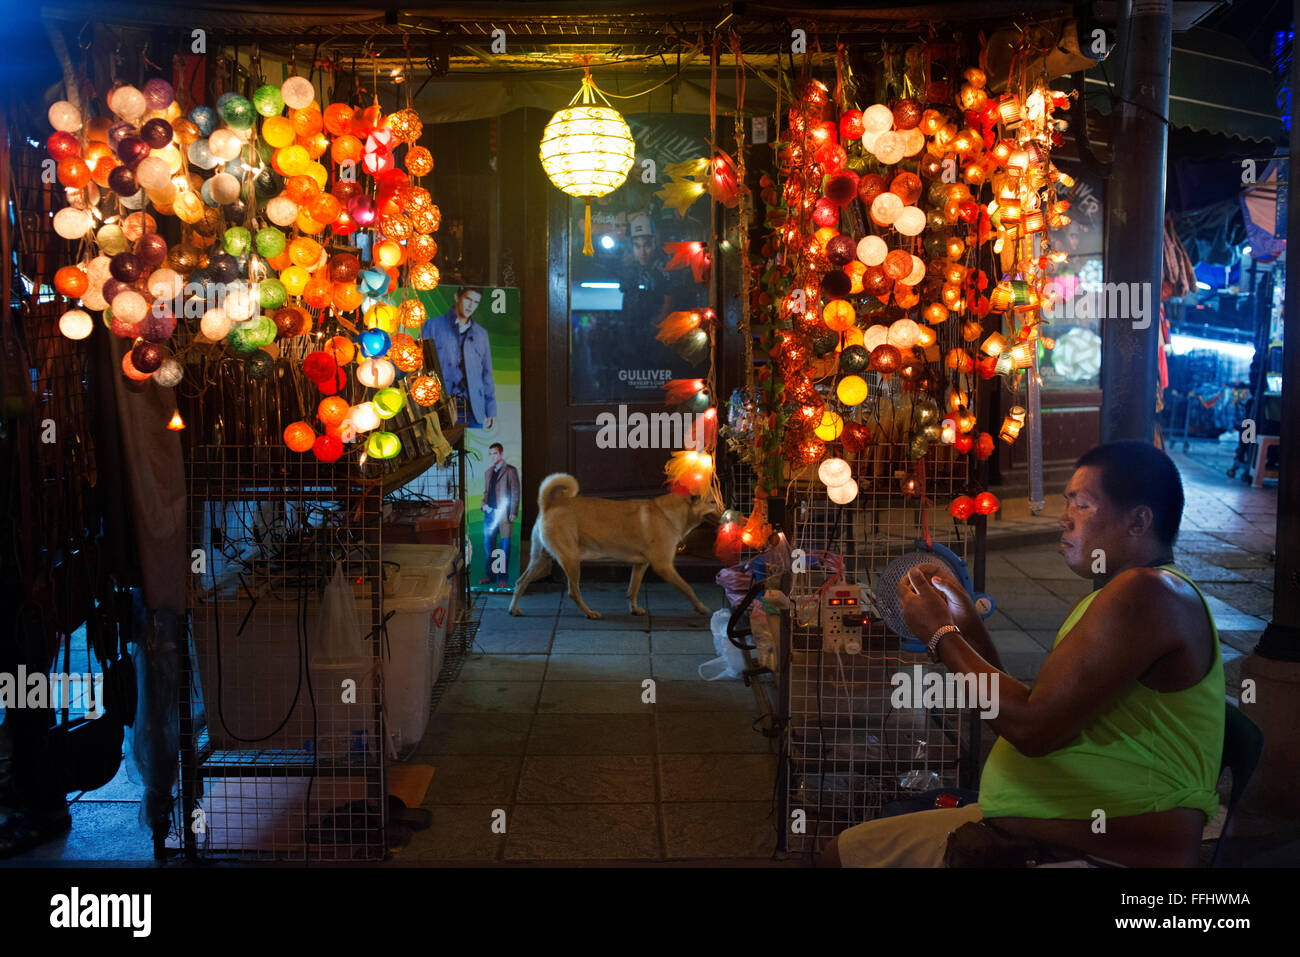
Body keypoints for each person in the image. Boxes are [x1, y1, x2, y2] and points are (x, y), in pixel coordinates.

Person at [824, 441, 1224, 868]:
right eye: (1067, 502)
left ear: (1138, 520)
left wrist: (939, 634)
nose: (1064, 518)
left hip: (1099, 846)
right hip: (1038, 820)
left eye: (1083, 505)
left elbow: (1029, 729)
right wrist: (961, 615)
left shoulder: (1148, 594)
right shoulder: (1118, 595)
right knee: (845, 851)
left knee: (840, 858)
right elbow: (1019, 706)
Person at [420, 286, 496, 429]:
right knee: (442, 448)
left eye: (476, 302)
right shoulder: (432, 326)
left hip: (473, 408)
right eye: (468, 299)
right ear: (457, 297)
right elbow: (419, 364)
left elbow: (487, 373)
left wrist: (490, 409)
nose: (471, 306)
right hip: (440, 407)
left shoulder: (481, 334)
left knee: (471, 450)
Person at [479, 443, 520, 588]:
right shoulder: (488, 472)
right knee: (488, 545)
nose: (492, 456)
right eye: (490, 453)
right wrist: (483, 504)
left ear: (501, 454)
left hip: (504, 515)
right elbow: (486, 492)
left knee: (504, 547)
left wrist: (513, 511)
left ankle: (503, 577)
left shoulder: (510, 470)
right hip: (489, 514)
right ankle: (490, 576)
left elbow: (515, 492)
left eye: (495, 453)